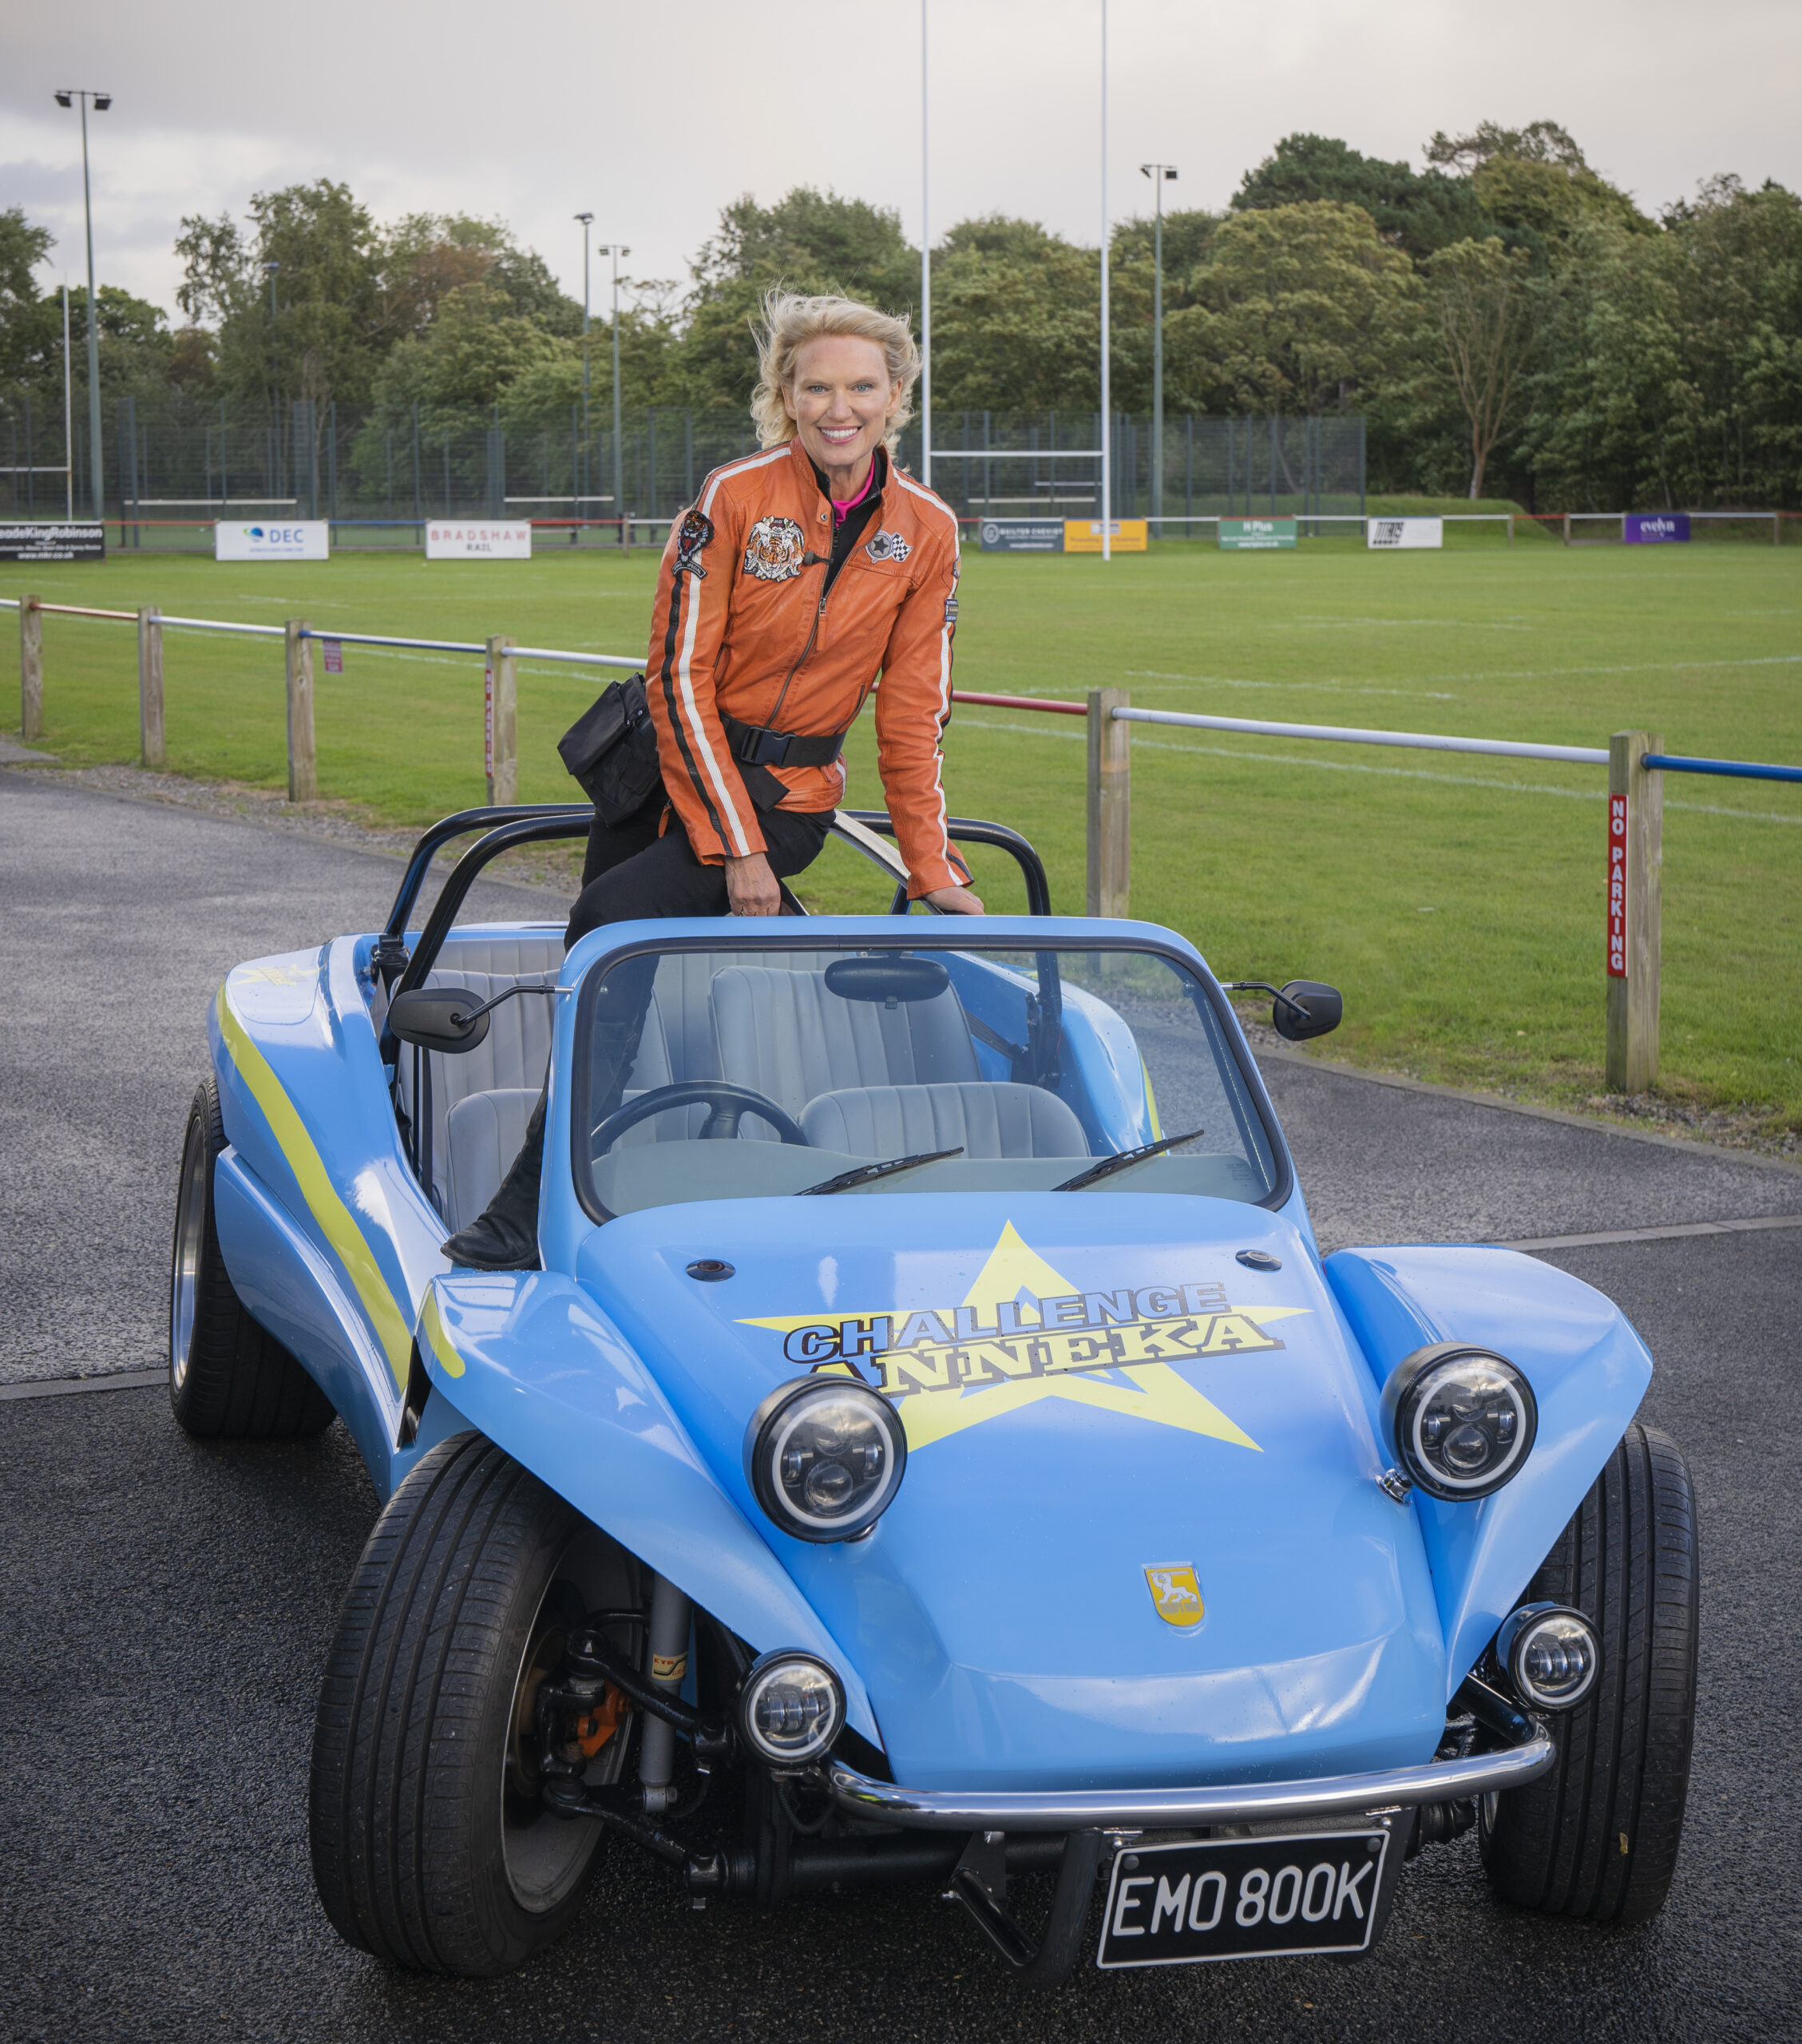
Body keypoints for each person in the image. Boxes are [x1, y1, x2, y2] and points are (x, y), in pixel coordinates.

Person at [442, 289, 984, 1269]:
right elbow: (677, 677)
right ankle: (604, 1178)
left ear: (896, 393)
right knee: (615, 959)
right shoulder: (733, 495)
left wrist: (930, 864)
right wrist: (729, 847)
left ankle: (532, 1204)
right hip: (667, 770)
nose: (839, 407)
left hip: (789, 799)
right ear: (784, 392)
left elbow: (913, 710)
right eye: (816, 386)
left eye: (862, 385)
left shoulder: (928, 528)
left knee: (612, 925)